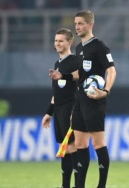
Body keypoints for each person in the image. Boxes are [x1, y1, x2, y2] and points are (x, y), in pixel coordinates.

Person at [49, 10, 117, 188]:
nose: (77, 27)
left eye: (80, 23)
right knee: (79, 143)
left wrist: (106, 91)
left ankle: (101, 185)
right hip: (80, 99)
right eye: (76, 23)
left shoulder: (100, 46)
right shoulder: (79, 48)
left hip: (95, 100)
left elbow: (111, 70)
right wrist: (62, 75)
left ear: (90, 25)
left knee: (98, 143)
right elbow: (81, 73)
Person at [41, 28, 78, 188]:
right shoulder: (58, 64)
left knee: (72, 147)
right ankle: (65, 185)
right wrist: (49, 112)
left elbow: (79, 81)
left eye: (61, 40)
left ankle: (78, 184)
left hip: (71, 108)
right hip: (59, 109)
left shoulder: (75, 61)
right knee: (65, 149)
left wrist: (76, 111)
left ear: (69, 42)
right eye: (56, 41)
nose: (57, 43)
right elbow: (57, 92)